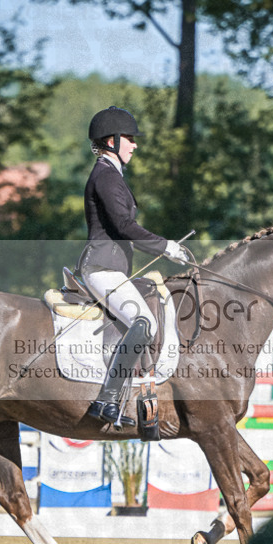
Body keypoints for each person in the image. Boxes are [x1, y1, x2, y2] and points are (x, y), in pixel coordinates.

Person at [77, 106, 189, 426]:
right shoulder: (105, 176)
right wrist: (165, 246)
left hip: (113, 269)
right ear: (110, 140)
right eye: (128, 138)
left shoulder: (112, 175)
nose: (134, 145)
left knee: (150, 313)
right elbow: (125, 226)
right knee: (144, 322)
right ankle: (107, 400)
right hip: (100, 268)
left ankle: (142, 409)